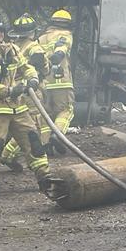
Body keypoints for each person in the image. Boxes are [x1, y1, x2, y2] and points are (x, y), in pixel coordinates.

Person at [0, 13, 51, 197]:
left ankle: (44, 176)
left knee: (33, 140)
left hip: (18, 106)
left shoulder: (12, 50)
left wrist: (32, 78)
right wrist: (10, 90)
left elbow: (27, 67)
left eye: (1, 31)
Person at [0, 14, 50, 172]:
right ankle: (7, 155)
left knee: (18, 126)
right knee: (32, 127)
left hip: (15, 92)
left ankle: (11, 156)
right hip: (31, 92)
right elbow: (40, 66)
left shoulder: (12, 47)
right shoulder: (34, 46)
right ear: (32, 32)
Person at [37, 9, 76, 154]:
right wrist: (58, 54)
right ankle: (58, 136)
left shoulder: (41, 38)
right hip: (62, 82)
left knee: (46, 114)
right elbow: (62, 47)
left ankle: (46, 144)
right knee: (66, 110)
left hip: (44, 83)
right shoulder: (65, 34)